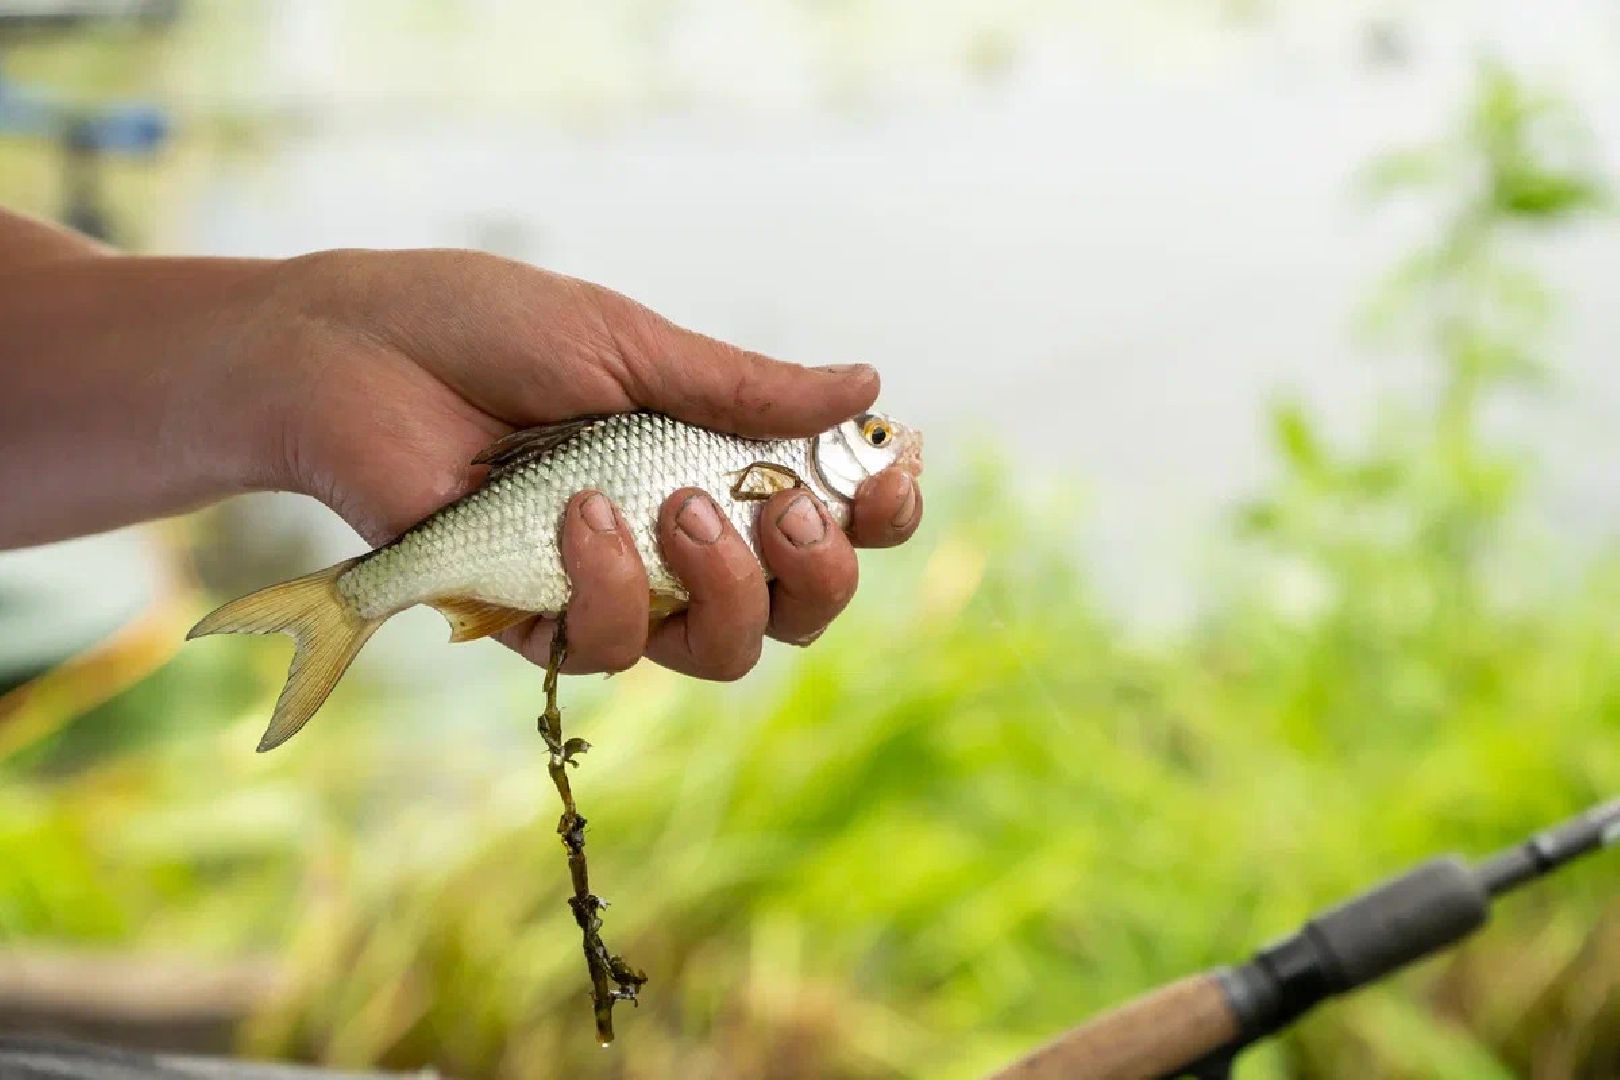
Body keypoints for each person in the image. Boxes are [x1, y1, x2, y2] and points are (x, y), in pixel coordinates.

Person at [0, 208, 922, 681]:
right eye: (875, 435)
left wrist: (304, 349)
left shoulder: (769, 464)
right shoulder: (776, 461)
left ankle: (353, 600)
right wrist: (304, 343)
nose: (890, 448)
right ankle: (346, 604)